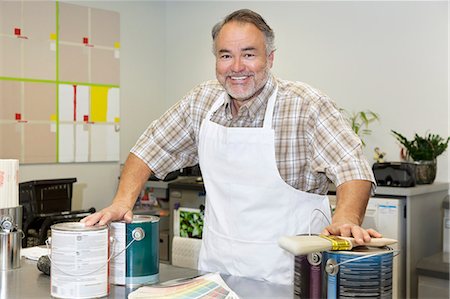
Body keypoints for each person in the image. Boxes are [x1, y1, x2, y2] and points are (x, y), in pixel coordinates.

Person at [82, 9, 380, 285]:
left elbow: (352, 166)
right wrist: (123, 201)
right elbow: (149, 147)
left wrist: (346, 217)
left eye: (248, 54)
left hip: (291, 277)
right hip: (217, 272)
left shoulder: (305, 105)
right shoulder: (202, 102)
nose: (237, 67)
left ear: (270, 58)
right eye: (226, 56)